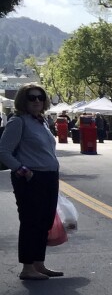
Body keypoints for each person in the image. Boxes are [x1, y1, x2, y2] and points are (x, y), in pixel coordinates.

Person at [0, 84, 63, 281]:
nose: (36, 100)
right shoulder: (18, 122)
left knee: (44, 221)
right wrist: (22, 170)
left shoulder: (40, 121)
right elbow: (3, 151)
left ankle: (38, 264)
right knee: (31, 222)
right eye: (31, 97)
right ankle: (27, 268)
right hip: (31, 179)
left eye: (40, 97)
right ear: (23, 100)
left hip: (48, 177)